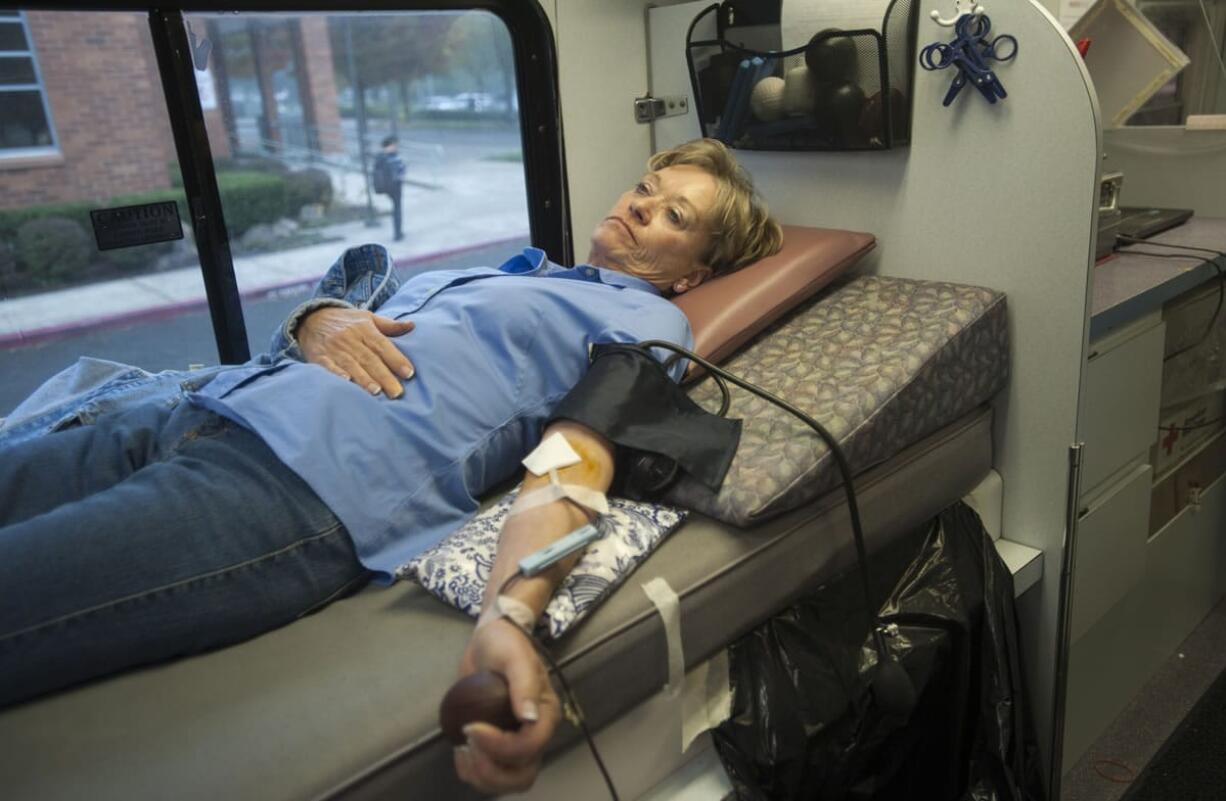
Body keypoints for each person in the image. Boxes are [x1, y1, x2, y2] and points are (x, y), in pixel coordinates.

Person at [0, 138, 782, 794]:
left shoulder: (649, 317)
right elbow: (353, 324)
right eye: (647, 187)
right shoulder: (519, 271)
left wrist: (511, 610)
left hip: (288, 485)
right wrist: (316, 319)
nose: (642, 204)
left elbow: (577, 453)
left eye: (675, 214)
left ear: (692, 275)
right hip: (199, 410)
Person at [373, 134, 407, 241]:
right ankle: (398, 233)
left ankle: (398, 231)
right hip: (394, 186)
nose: (396, 147)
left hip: (389, 186)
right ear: (389, 145)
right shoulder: (391, 157)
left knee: (396, 208)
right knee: (397, 209)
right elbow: (401, 170)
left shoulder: (380, 157)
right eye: (394, 145)